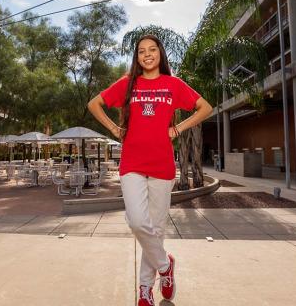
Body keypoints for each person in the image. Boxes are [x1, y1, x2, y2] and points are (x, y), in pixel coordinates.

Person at [88, 34, 213, 306]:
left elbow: (206, 107)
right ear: (137, 57)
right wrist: (113, 129)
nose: (147, 54)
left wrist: (178, 128)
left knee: (156, 228)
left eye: (152, 49)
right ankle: (165, 266)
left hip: (162, 164)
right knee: (136, 221)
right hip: (131, 162)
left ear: (160, 54)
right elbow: (94, 104)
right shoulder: (127, 84)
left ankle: (146, 289)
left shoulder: (173, 84)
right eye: (141, 51)